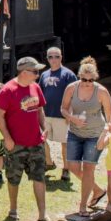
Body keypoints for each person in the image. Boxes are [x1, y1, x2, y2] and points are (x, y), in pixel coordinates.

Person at [0, 56, 53, 221]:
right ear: (24, 72)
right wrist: (7, 138)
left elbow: (40, 109)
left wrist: (44, 126)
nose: (37, 74)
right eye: (35, 71)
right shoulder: (8, 90)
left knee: (39, 177)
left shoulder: (35, 87)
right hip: (16, 144)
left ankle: (42, 215)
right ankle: (13, 210)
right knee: (13, 178)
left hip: (36, 142)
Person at [60, 56, 111, 216]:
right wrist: (72, 118)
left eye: (90, 80)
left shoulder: (101, 91)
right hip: (75, 132)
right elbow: (63, 108)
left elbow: (110, 117)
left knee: (88, 168)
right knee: (73, 167)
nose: (87, 83)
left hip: (94, 134)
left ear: (95, 78)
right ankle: (97, 190)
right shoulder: (71, 88)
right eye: (84, 79)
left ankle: (83, 205)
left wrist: (106, 134)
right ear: (79, 76)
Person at [40, 47, 77, 180]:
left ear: (61, 58)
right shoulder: (44, 75)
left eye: (56, 56)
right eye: (50, 57)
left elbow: (74, 96)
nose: (53, 59)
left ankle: (66, 169)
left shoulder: (68, 74)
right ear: (47, 59)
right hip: (46, 115)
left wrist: (70, 114)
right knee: (41, 140)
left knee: (65, 144)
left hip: (62, 115)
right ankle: (49, 163)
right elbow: (40, 94)